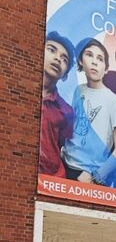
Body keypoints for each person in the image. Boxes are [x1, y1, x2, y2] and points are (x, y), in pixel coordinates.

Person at [62, 38, 116, 185]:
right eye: (89, 55)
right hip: (65, 164)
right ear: (81, 61)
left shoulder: (113, 100)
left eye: (100, 58)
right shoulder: (78, 90)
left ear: (106, 68)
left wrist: (96, 176)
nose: (94, 62)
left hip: (88, 175)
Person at [38, 31, 75, 178]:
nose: (58, 58)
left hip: (53, 179)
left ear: (65, 75)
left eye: (64, 59)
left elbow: (61, 144)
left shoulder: (66, 111)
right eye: (51, 50)